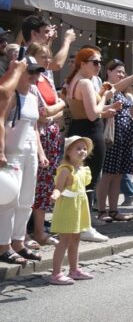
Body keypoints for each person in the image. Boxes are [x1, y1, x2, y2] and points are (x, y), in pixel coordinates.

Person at [64, 48, 121, 242]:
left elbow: (89, 109)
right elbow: (92, 113)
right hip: (89, 133)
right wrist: (106, 96)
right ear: (82, 63)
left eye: (100, 62)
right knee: (89, 180)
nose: (99, 66)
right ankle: (85, 227)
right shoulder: (85, 82)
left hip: (79, 130)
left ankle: (80, 223)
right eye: (95, 62)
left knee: (81, 180)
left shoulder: (74, 81)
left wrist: (104, 101)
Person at [0, 58, 48, 265]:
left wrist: (41, 152)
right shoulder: (11, 95)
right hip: (13, 153)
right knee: (10, 200)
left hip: (29, 153)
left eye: (37, 73)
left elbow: (34, 127)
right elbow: (0, 121)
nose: (35, 76)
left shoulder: (33, 95)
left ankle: (19, 242)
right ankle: (4, 246)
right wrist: (1, 151)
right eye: (31, 72)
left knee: (27, 200)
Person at [99, 59, 133, 222]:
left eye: (123, 72)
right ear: (108, 72)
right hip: (112, 138)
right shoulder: (106, 87)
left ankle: (114, 210)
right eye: (118, 71)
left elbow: (132, 113)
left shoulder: (124, 92)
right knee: (107, 175)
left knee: (118, 175)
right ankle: (101, 210)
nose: (121, 74)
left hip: (125, 137)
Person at [27, 43, 67, 247]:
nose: (47, 61)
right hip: (39, 137)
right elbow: (43, 114)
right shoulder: (31, 81)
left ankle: (40, 230)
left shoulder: (47, 79)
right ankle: (27, 232)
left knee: (45, 185)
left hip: (52, 137)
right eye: (42, 57)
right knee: (32, 185)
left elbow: (57, 109)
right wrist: (59, 106)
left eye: (48, 57)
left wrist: (57, 108)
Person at [48, 136, 95, 285]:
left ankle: (74, 269)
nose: (82, 151)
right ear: (69, 152)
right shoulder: (65, 170)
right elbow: (58, 188)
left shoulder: (82, 169)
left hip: (78, 207)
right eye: (78, 148)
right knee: (65, 240)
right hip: (68, 207)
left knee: (76, 238)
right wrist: (55, 195)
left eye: (84, 148)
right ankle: (56, 273)